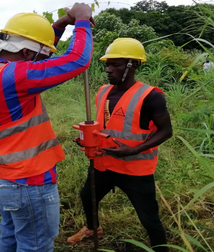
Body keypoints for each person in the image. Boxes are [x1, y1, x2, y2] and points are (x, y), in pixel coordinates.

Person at [0, 3, 94, 252]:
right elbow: (77, 61)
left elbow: (34, 52)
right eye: (43, 56)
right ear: (25, 53)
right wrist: (82, 21)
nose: (45, 62)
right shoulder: (15, 77)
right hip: (26, 180)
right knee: (35, 246)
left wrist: (59, 25)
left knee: (11, 236)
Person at [67, 38, 173, 252]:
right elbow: (104, 127)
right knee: (87, 196)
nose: (109, 69)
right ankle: (93, 228)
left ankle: (161, 249)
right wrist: (86, 138)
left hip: (134, 169)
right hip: (102, 164)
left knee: (149, 217)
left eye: (116, 64)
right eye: (108, 64)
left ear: (132, 65)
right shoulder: (103, 91)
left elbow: (166, 131)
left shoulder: (151, 96)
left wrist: (133, 150)